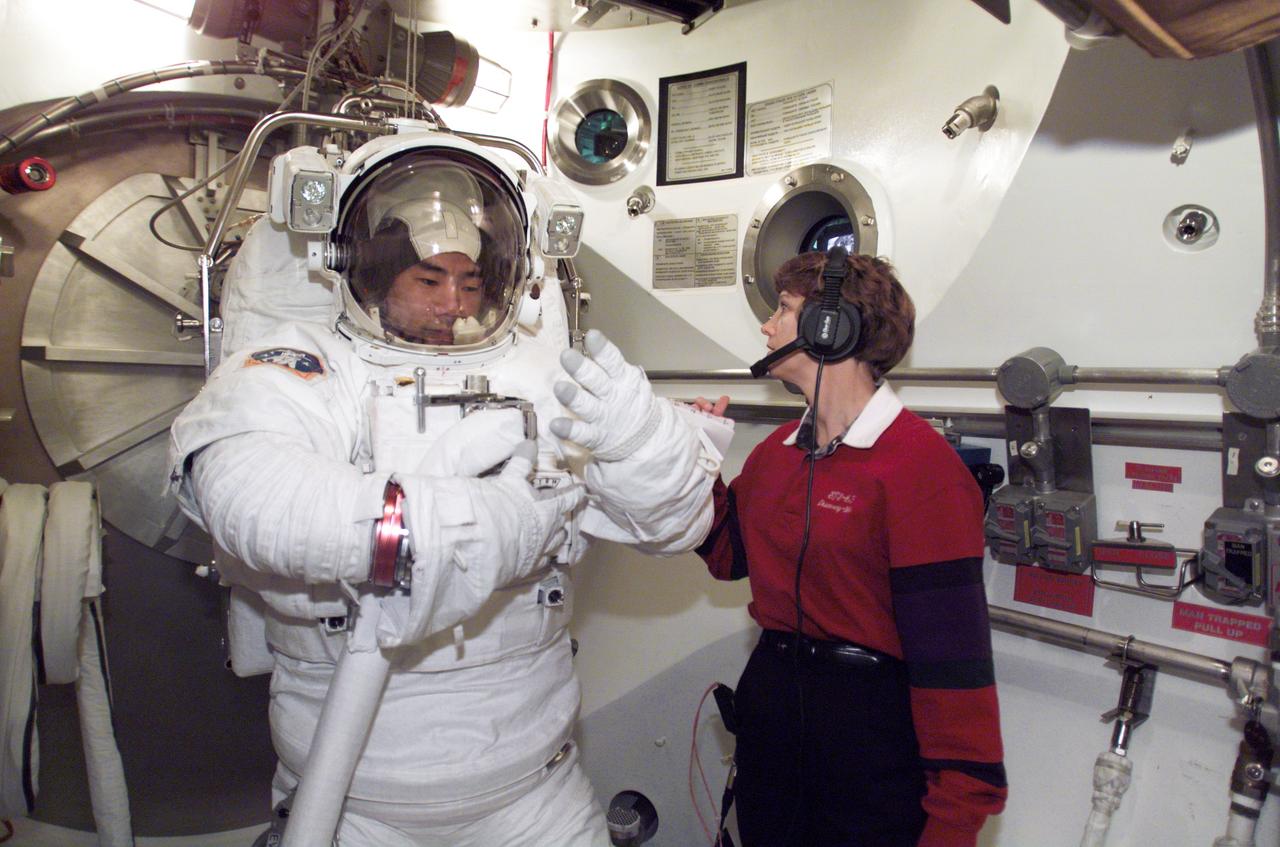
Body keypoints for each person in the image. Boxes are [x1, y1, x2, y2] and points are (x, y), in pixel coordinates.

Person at [167, 133, 718, 847]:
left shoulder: (537, 374)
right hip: (355, 797)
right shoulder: (305, 370)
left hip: (530, 785)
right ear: (366, 273)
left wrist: (643, 437)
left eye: (470, 283)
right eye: (428, 281)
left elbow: (680, 525)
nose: (452, 303)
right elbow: (251, 498)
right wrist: (495, 523)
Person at [694, 250, 1007, 847]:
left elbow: (954, 660)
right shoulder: (777, 453)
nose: (767, 327)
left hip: (869, 738)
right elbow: (729, 557)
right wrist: (691, 470)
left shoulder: (920, 468)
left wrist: (954, 820)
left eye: (782, 310)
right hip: (774, 726)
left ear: (829, 328)